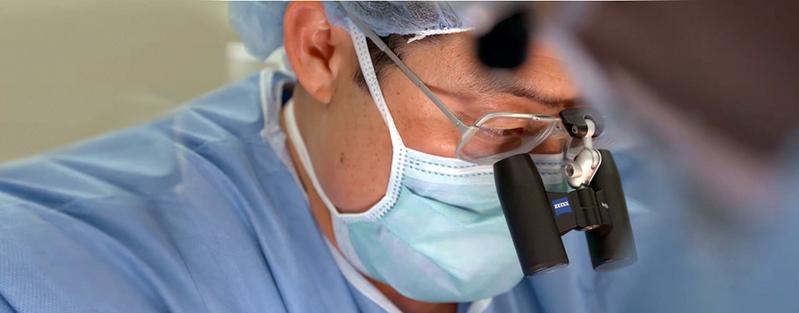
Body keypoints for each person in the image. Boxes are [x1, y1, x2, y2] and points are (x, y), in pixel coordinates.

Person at [0, 2, 648, 313]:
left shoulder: (644, 232)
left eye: (580, 120)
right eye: (502, 124)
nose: (563, 167)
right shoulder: (45, 277)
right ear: (320, 49)